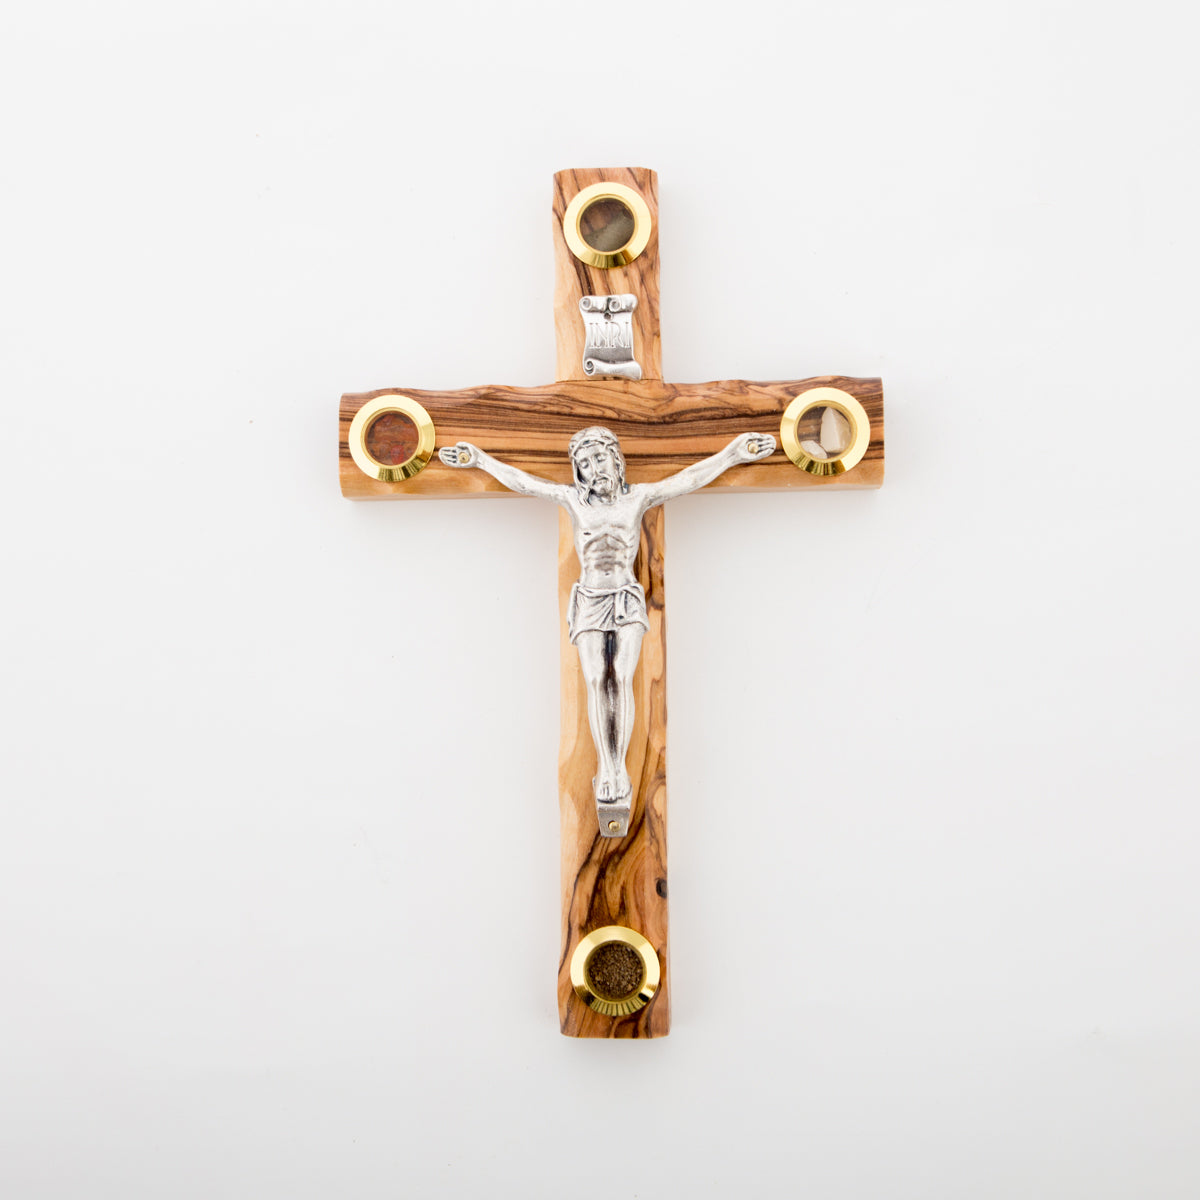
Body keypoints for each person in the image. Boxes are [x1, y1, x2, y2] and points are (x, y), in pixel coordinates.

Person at [440, 425, 774, 835]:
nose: (592, 468)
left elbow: (687, 479)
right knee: (598, 680)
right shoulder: (574, 501)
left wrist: (732, 454)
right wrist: (481, 461)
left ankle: (618, 770)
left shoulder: (637, 498)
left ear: (615, 460)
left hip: (626, 597)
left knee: (624, 679)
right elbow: (526, 482)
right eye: (583, 463)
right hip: (590, 600)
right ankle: (609, 768)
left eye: (598, 459)